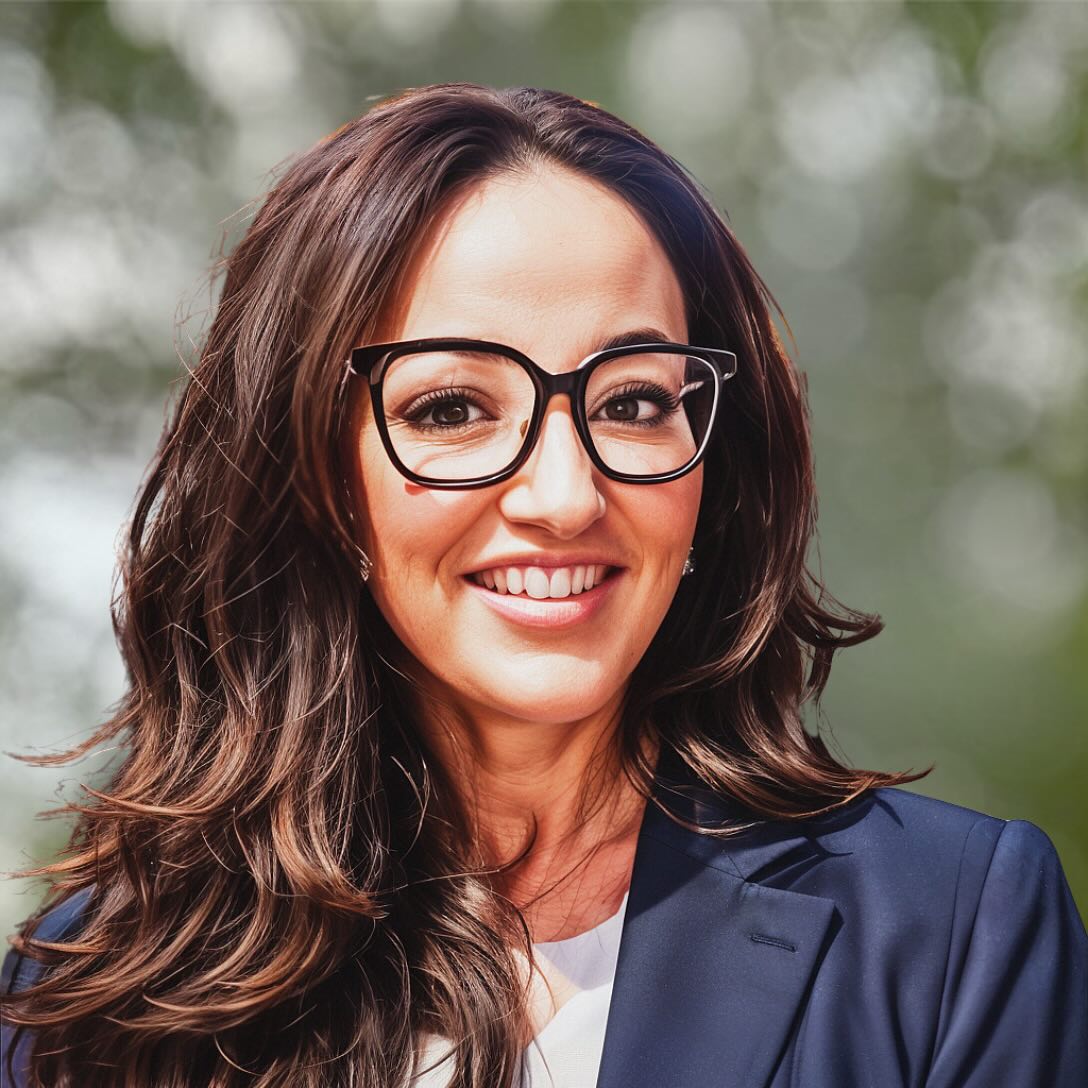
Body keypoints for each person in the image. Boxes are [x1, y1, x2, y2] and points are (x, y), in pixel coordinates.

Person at [2, 82, 1085, 1088]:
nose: (565, 496)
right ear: (317, 479)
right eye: (451, 408)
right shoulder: (91, 998)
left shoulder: (953, 931)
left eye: (631, 401)